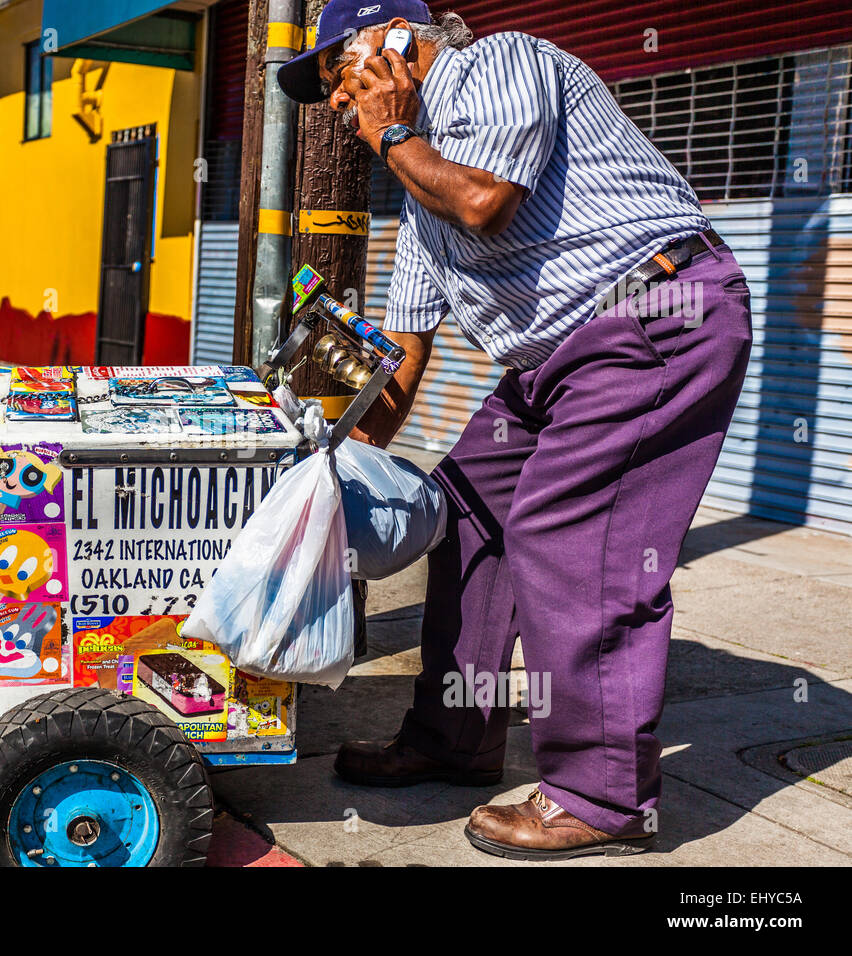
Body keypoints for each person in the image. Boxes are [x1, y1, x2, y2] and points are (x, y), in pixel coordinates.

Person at [277, 0, 752, 859]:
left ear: (393, 43)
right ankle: (455, 736)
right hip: (557, 363)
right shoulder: (417, 188)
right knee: (463, 507)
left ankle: (603, 797)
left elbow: (487, 201)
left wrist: (391, 136)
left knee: (570, 535)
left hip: (657, 315)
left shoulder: (495, 65)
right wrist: (328, 475)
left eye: (338, 80)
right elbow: (403, 356)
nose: (340, 109)